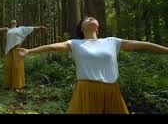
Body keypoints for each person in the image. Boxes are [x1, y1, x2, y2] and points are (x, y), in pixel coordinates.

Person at [17, 17, 168, 114]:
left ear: (98, 27)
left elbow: (143, 45)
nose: (90, 18)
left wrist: (166, 50)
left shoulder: (112, 41)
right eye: (86, 19)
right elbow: (52, 47)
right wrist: (29, 51)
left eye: (92, 18)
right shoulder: (75, 43)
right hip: (86, 90)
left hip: (111, 91)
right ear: (81, 28)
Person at [0, 20, 47, 91]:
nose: (13, 21)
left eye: (14, 21)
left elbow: (32, 28)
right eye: (12, 21)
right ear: (11, 23)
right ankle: (8, 85)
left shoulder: (20, 28)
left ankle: (17, 85)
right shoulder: (8, 29)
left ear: (16, 23)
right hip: (9, 50)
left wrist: (40, 27)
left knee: (17, 66)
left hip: (17, 49)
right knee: (8, 65)